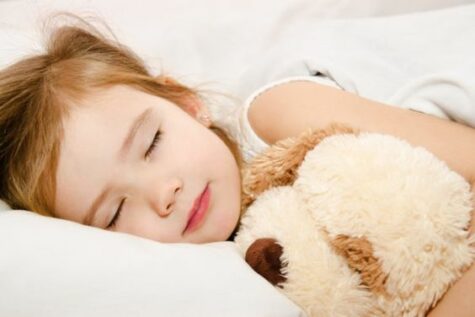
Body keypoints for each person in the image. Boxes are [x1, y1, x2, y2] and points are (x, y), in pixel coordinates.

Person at [0, 17, 474, 317]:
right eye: (115, 213)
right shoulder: (236, 272)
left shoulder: (276, 114)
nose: (163, 191)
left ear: (187, 105)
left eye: (152, 143)